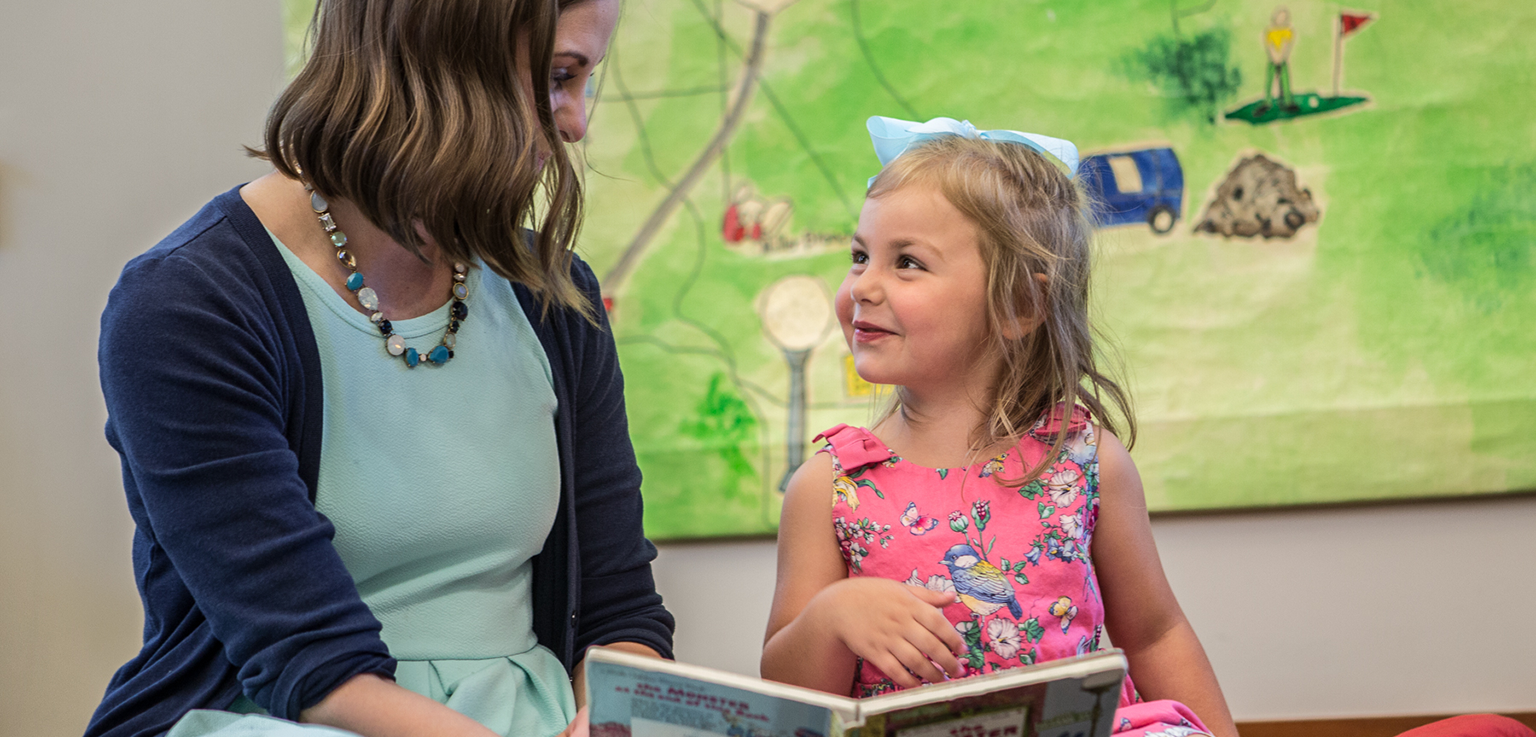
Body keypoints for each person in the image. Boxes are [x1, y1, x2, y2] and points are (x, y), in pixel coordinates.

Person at [84, 1, 661, 736]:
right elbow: (308, 661)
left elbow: (618, 609)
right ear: (437, 58)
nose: (576, 122)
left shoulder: (556, 294)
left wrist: (612, 718)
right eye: (556, 78)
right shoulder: (185, 304)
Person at [760, 117, 1239, 737]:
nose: (862, 286)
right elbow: (785, 701)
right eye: (859, 256)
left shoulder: (1086, 461)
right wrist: (829, 618)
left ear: (1019, 305)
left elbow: (1156, 633)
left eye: (906, 262)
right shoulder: (828, 486)